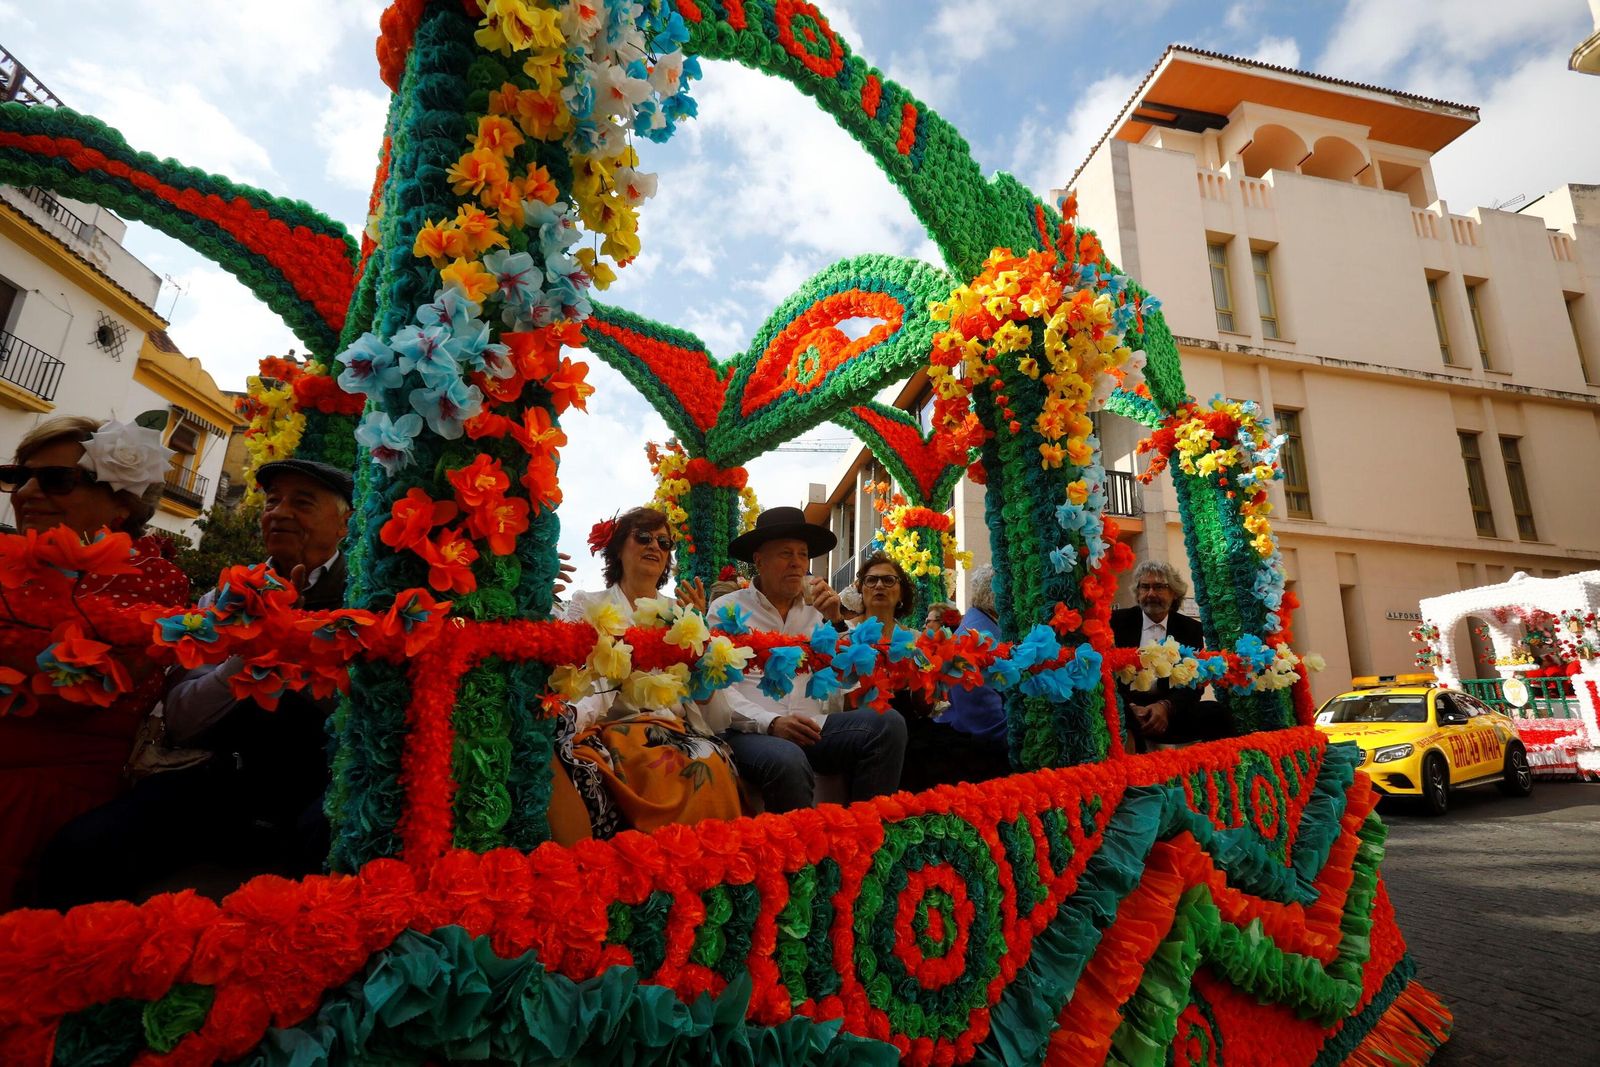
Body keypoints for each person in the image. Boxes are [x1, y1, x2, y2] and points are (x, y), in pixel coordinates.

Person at [34, 458, 353, 907]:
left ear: (345, 524)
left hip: (325, 781)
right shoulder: (220, 600)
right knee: (85, 847)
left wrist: (297, 642)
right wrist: (246, 652)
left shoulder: (364, 599)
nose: (279, 513)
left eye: (301, 502)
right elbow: (181, 720)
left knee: (320, 865)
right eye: (272, 501)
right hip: (223, 774)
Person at [0, 416, 189, 908]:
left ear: (122, 504)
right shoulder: (13, 562)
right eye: (18, 477)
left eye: (57, 479)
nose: (26, 493)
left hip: (40, 799)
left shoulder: (152, 577)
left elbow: (75, 690)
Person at [707, 507, 906, 812]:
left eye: (803, 554)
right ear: (759, 560)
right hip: (748, 732)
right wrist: (771, 723)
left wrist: (838, 622)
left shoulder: (819, 610)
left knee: (888, 724)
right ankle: (800, 858)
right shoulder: (726, 609)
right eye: (786, 553)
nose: (797, 563)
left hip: (814, 727)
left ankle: (864, 836)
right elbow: (718, 688)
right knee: (788, 758)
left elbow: (846, 682)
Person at [556, 507, 740, 837]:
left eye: (664, 541)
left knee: (709, 763)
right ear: (617, 548)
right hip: (611, 724)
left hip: (674, 726)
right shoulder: (587, 602)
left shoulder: (679, 612)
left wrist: (698, 640)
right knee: (646, 766)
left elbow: (706, 699)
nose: (654, 546)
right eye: (643, 537)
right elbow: (573, 674)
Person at [901, 563, 1013, 792]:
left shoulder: (984, 628)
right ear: (1000, 596)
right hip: (974, 759)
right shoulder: (980, 637)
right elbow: (986, 723)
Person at [1110, 560, 1215, 749]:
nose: (1150, 593)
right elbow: (1107, 677)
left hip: (1169, 711)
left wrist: (1165, 707)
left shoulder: (1191, 629)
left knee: (1216, 713)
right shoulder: (1116, 623)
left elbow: (1194, 685)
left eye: (1159, 587)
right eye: (1144, 587)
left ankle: (1219, 771)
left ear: (1174, 592)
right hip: (1125, 708)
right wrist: (1130, 708)